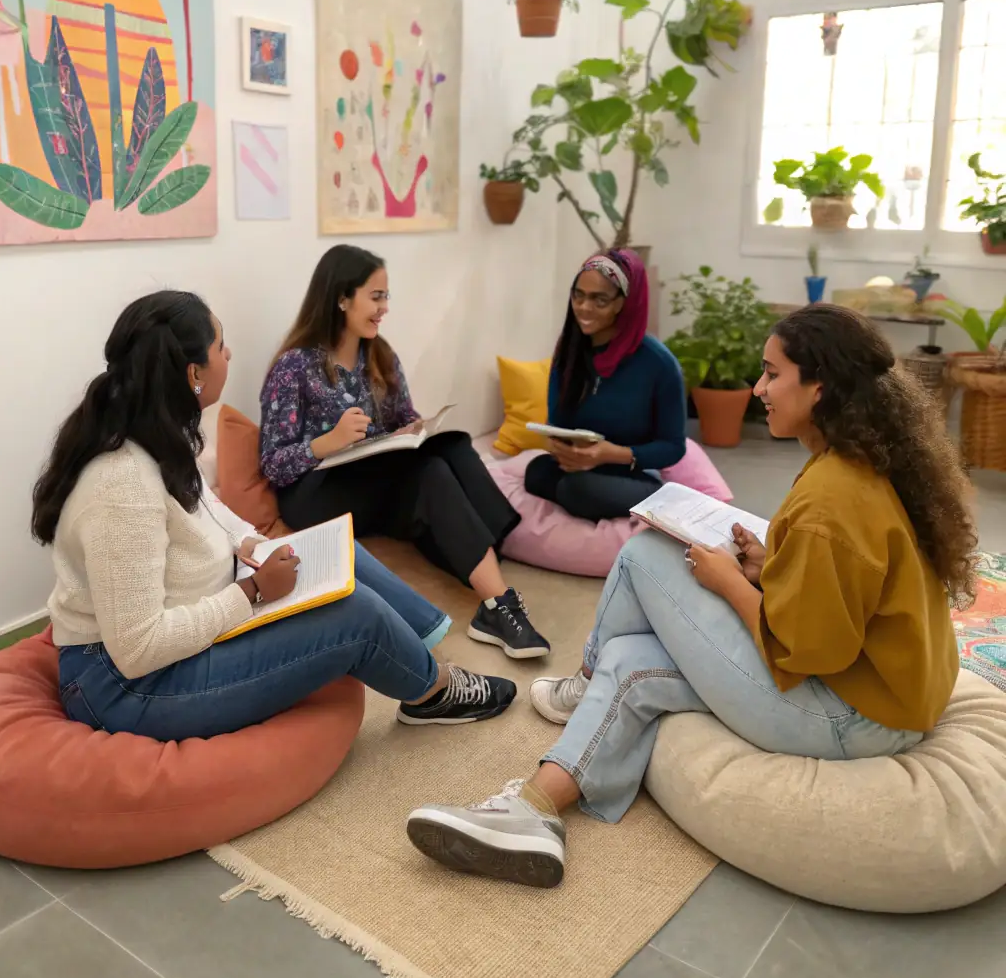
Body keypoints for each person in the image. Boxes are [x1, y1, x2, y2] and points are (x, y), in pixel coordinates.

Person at [405, 304, 976, 887]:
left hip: (854, 716)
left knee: (645, 552)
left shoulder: (832, 500)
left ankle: (586, 680)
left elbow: (808, 653)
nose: (758, 389)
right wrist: (765, 566)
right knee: (629, 664)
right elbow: (841, 592)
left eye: (773, 374)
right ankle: (535, 810)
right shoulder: (862, 465)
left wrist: (729, 582)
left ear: (820, 387)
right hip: (884, 696)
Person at [40, 291, 517, 741]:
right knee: (356, 617)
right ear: (193, 374)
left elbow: (208, 509)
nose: (230, 355)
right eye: (220, 347)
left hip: (172, 638)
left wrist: (252, 544)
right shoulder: (121, 485)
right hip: (125, 685)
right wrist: (251, 592)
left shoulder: (155, 431)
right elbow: (138, 649)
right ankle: (431, 692)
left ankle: (424, 653)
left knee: (335, 551)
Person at [259, 245, 550, 661]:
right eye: (376, 296)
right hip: (315, 493)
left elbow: (402, 417)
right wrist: (328, 441)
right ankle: (498, 604)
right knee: (429, 474)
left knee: (451, 446)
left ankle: (493, 558)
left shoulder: (378, 354)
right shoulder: (294, 367)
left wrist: (416, 428)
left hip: (372, 478)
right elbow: (273, 463)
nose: (384, 308)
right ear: (342, 298)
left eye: (386, 297)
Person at [523, 249, 686, 524]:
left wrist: (611, 454)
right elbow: (557, 420)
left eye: (600, 299)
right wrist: (562, 448)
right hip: (581, 467)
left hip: (633, 473)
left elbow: (673, 447)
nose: (584, 307)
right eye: (579, 295)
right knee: (536, 472)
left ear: (624, 303)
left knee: (578, 490)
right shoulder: (570, 352)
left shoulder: (659, 364)